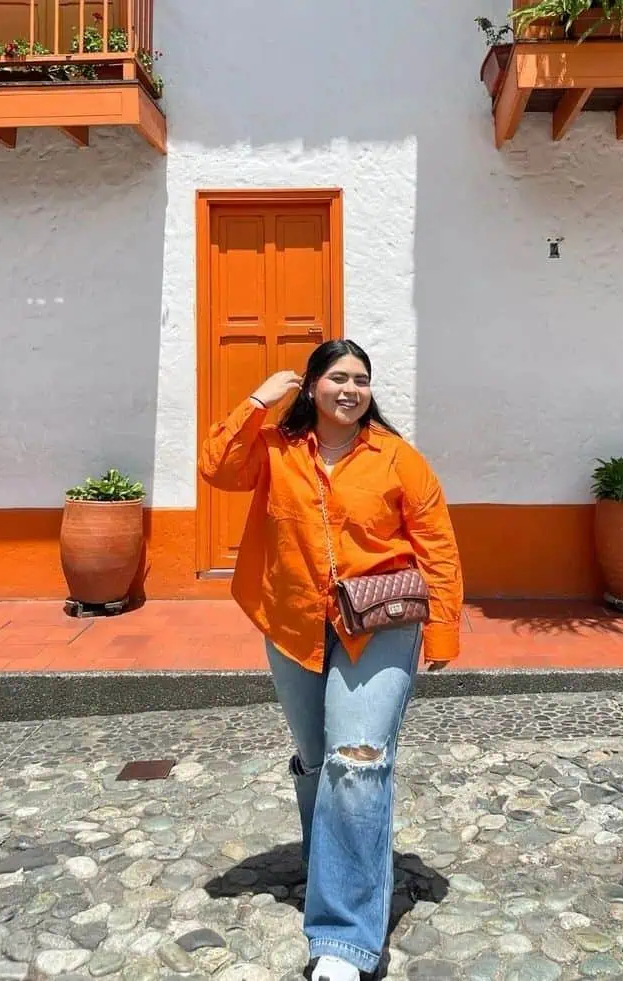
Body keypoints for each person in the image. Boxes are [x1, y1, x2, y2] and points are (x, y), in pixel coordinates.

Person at [200, 339, 463, 981]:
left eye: (362, 379)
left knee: (358, 762)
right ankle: (331, 863)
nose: (351, 388)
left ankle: (345, 939)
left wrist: (445, 631)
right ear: (311, 386)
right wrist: (261, 398)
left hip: (379, 626)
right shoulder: (276, 450)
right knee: (319, 761)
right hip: (294, 624)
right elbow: (217, 467)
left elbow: (437, 544)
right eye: (338, 377)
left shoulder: (399, 458)